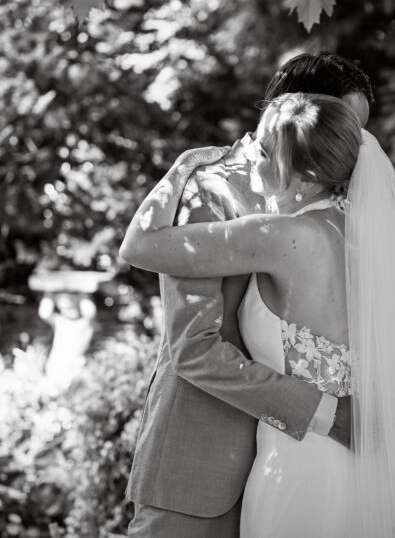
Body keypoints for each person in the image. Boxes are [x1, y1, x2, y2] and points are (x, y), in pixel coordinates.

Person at [121, 92, 395, 536]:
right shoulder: (365, 241)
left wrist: (183, 167)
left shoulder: (278, 236)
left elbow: (138, 246)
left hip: (296, 470)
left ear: (308, 178)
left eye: (269, 152)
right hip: (359, 469)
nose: (255, 160)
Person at [123, 54, 375, 537]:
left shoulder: (336, 212)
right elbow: (193, 349)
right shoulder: (209, 190)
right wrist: (325, 415)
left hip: (302, 473)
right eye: (342, 127)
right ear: (297, 110)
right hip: (204, 469)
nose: (349, 154)